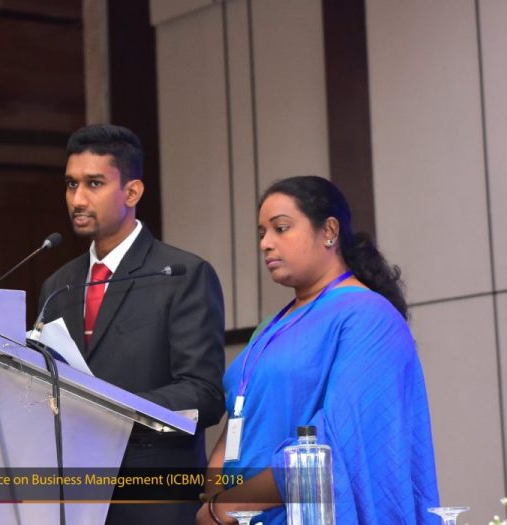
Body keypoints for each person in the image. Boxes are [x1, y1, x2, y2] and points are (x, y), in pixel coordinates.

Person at [197, 176, 439, 524]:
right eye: (262, 233)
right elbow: (239, 417)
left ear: (329, 231)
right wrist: (214, 500)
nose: (265, 243)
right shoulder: (269, 327)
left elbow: (334, 443)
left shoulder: (368, 316)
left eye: (281, 228)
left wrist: (227, 508)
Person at [38, 124, 226, 524]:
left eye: (94, 184)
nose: (78, 199)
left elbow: (205, 394)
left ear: (132, 192)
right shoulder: (57, 286)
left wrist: (113, 408)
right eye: (71, 184)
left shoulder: (181, 274)